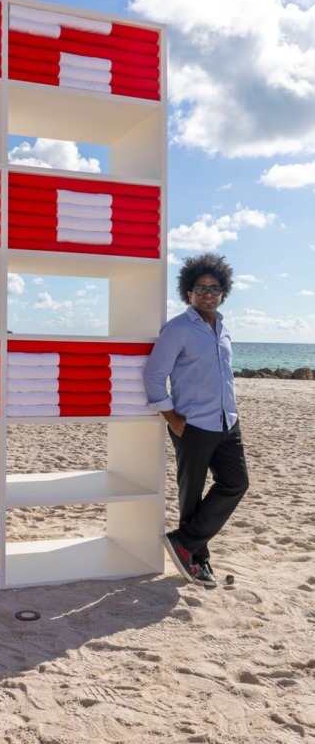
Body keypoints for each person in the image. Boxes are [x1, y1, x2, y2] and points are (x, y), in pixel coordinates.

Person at [143, 252, 249, 588]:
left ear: (223, 292)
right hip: (192, 425)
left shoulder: (224, 328)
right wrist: (172, 419)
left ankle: (184, 543)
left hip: (227, 423)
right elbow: (154, 375)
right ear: (188, 292)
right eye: (200, 288)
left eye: (214, 287)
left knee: (236, 483)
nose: (208, 293)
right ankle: (198, 561)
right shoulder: (177, 329)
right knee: (191, 494)